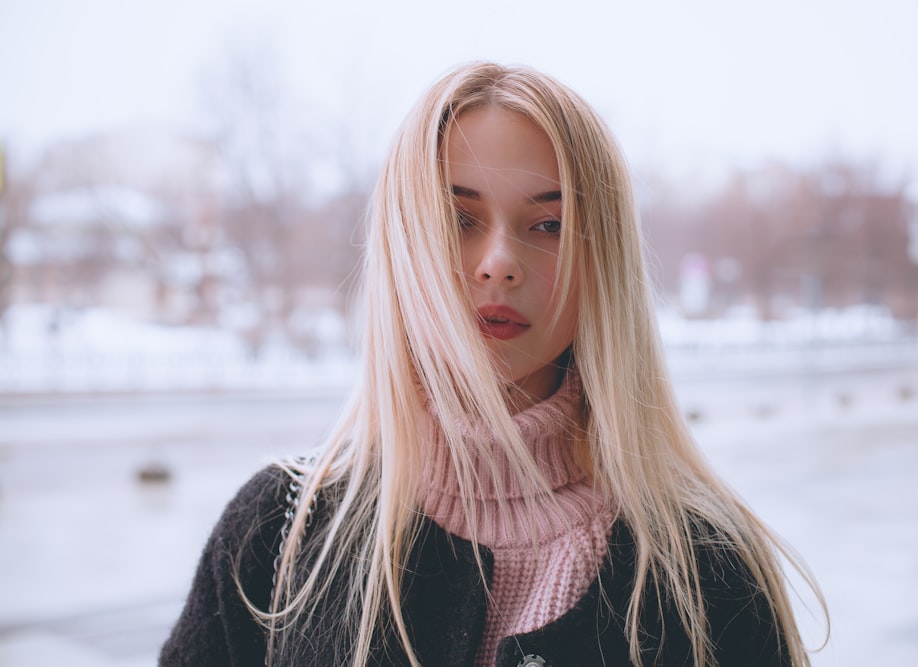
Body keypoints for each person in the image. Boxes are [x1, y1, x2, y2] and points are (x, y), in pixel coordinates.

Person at [160, 62, 826, 667]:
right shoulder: (278, 534)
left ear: (604, 262)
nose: (498, 261)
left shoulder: (708, 573)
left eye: (548, 225)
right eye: (458, 218)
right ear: (403, 249)